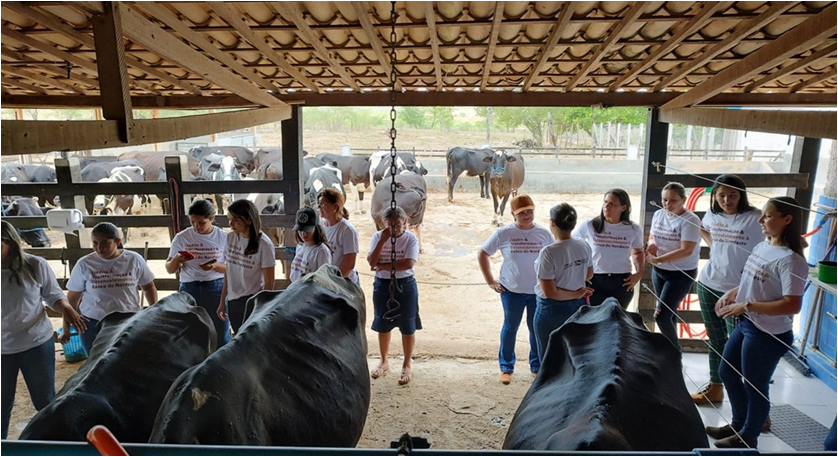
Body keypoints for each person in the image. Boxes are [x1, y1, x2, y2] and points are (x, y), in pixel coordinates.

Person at [708, 196, 809, 448]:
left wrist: (747, 305)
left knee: (755, 386)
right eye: (762, 214)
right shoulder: (764, 245)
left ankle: (748, 437)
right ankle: (739, 424)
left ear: (787, 219)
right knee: (727, 373)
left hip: (769, 334)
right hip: (748, 324)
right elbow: (751, 280)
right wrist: (733, 292)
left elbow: (792, 305)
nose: (761, 220)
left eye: (768, 216)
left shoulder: (792, 260)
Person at [1, 221, 86, 439]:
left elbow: (53, 295)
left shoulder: (35, 265)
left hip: (35, 343)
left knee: (45, 400)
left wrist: (66, 307)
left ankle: (56, 444)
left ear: (9, 244)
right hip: (2, 349)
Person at [691, 175, 762, 405]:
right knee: (716, 338)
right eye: (721, 195)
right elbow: (705, 230)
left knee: (741, 345)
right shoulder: (712, 214)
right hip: (708, 283)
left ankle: (755, 404)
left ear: (741, 194)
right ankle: (715, 386)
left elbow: (773, 245)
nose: (726, 200)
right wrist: (716, 246)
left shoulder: (756, 218)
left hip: (739, 292)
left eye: (732, 195)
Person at [478, 194, 553, 384]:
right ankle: (506, 367)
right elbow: (483, 253)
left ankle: (536, 366)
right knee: (510, 326)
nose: (527, 216)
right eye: (522, 213)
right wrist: (490, 281)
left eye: (530, 212)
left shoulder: (544, 234)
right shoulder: (504, 233)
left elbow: (554, 258)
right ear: (513, 214)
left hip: (537, 291)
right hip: (511, 291)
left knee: (535, 328)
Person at [66, 222, 157, 354]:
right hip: (93, 323)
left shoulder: (134, 259)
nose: (98, 248)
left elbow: (149, 286)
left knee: (128, 359)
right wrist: (68, 325)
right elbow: (72, 298)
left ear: (117, 241)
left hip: (129, 320)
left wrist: (153, 310)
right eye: (94, 243)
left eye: (104, 243)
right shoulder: (84, 264)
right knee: (95, 364)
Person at [533, 203, 593, 362]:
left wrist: (574, 292)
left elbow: (550, 292)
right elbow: (589, 274)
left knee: (549, 359)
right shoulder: (583, 245)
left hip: (552, 309)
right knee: (574, 356)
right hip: (578, 306)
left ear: (552, 222)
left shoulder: (549, 252)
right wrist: (577, 289)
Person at [166, 199, 230, 347]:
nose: (196, 226)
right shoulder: (182, 237)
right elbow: (170, 269)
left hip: (216, 286)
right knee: (190, 330)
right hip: (189, 286)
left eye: (201, 222)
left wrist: (215, 266)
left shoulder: (223, 237)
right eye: (192, 222)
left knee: (220, 329)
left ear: (212, 218)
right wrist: (177, 259)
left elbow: (232, 268)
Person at [367, 206, 420, 386]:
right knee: (383, 324)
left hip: (405, 284)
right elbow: (371, 261)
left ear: (405, 222)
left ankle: (407, 363)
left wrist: (382, 266)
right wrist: (382, 241)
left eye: (398, 225)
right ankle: (384, 360)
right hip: (382, 284)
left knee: (408, 325)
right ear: (384, 224)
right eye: (390, 226)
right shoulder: (377, 237)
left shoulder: (411, 239)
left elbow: (408, 263)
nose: (395, 229)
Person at [645, 182, 701, 349]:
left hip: (681, 273)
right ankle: (673, 351)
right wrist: (652, 244)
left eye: (673, 200)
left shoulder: (691, 220)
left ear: (684, 200)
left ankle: (673, 353)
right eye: (664, 200)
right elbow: (652, 235)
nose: (667, 204)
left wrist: (658, 259)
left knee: (661, 315)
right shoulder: (659, 214)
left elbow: (686, 250)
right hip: (659, 271)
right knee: (669, 313)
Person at [572, 188, 644, 309]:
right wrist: (580, 270)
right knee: (594, 318)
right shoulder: (590, 225)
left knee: (617, 319)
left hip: (622, 280)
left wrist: (639, 273)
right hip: (594, 279)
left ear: (623, 208)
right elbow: (572, 246)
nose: (607, 206)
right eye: (605, 202)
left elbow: (638, 252)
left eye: (612, 204)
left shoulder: (633, 229)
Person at [217, 199, 276, 334]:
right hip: (233, 300)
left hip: (252, 301)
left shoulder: (264, 244)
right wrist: (223, 301)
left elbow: (269, 281)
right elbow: (229, 271)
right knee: (238, 335)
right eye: (229, 219)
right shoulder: (230, 238)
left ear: (249, 220)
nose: (231, 224)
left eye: (235, 220)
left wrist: (263, 308)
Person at [318, 188, 360, 284]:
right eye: (319, 203)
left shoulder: (348, 230)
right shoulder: (320, 227)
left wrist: (333, 281)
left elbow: (349, 264)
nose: (319, 206)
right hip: (326, 281)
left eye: (323, 203)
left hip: (343, 283)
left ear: (335, 207)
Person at [289, 206, 331, 282]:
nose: (303, 234)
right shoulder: (300, 247)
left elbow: (324, 281)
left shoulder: (321, 251)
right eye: (300, 230)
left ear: (316, 228)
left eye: (307, 230)